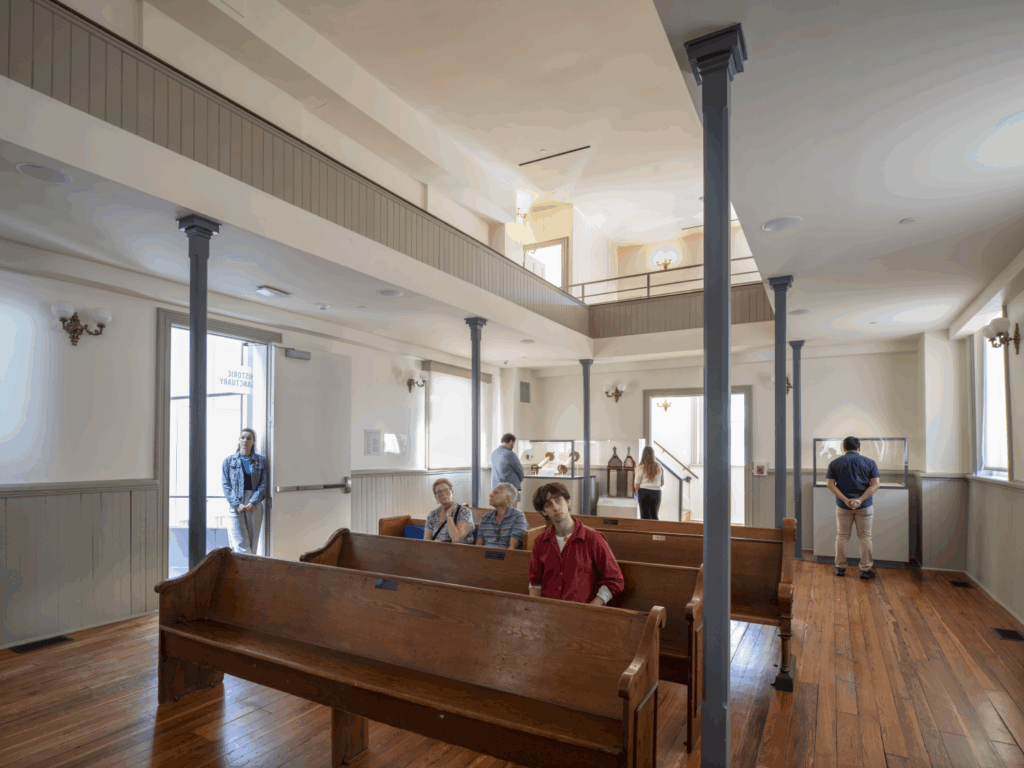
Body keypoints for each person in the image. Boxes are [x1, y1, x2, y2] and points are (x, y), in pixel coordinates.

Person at [528, 482, 624, 605]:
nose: (556, 507)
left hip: (581, 612)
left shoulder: (593, 538)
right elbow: (535, 581)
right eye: (548, 505)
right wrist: (535, 608)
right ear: (544, 512)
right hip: (548, 610)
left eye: (558, 500)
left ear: (567, 501)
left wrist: (593, 607)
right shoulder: (540, 541)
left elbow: (615, 579)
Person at [826, 436, 881, 579]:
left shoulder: (835, 463)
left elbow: (830, 485)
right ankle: (865, 570)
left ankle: (840, 568)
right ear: (859, 447)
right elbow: (875, 484)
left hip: (843, 507)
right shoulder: (870, 462)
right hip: (865, 506)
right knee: (865, 537)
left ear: (843, 448)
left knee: (842, 536)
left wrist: (846, 500)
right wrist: (860, 500)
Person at [221, 428, 268, 555]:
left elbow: (263, 484)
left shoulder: (261, 461)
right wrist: (236, 504)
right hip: (236, 503)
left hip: (254, 503)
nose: (245, 440)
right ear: (239, 440)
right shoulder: (229, 461)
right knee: (240, 544)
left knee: (253, 543)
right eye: (243, 437)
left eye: (249, 438)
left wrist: (253, 501)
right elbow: (226, 485)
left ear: (253, 441)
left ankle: (248, 573)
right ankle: (247, 572)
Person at [476, 482, 529, 549]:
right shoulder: (486, 517)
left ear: (507, 498)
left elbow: (512, 549)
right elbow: (478, 546)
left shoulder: (518, 516)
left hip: (505, 556)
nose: (490, 495)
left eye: (496, 493)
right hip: (484, 556)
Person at [424, 478, 475, 544]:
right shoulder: (432, 514)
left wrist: (449, 515)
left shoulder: (464, 511)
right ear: (435, 496)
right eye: (439, 492)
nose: (443, 494)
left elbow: (456, 540)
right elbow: (427, 542)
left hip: (459, 551)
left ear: (452, 492)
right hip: (436, 551)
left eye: (446, 490)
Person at [633, 446, 664, 520]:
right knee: (654, 516)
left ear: (643, 455)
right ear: (653, 454)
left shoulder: (640, 467)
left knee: (644, 517)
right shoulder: (659, 465)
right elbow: (662, 482)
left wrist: (638, 492)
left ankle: (645, 531)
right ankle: (655, 531)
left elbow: (637, 484)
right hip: (657, 492)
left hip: (644, 492)